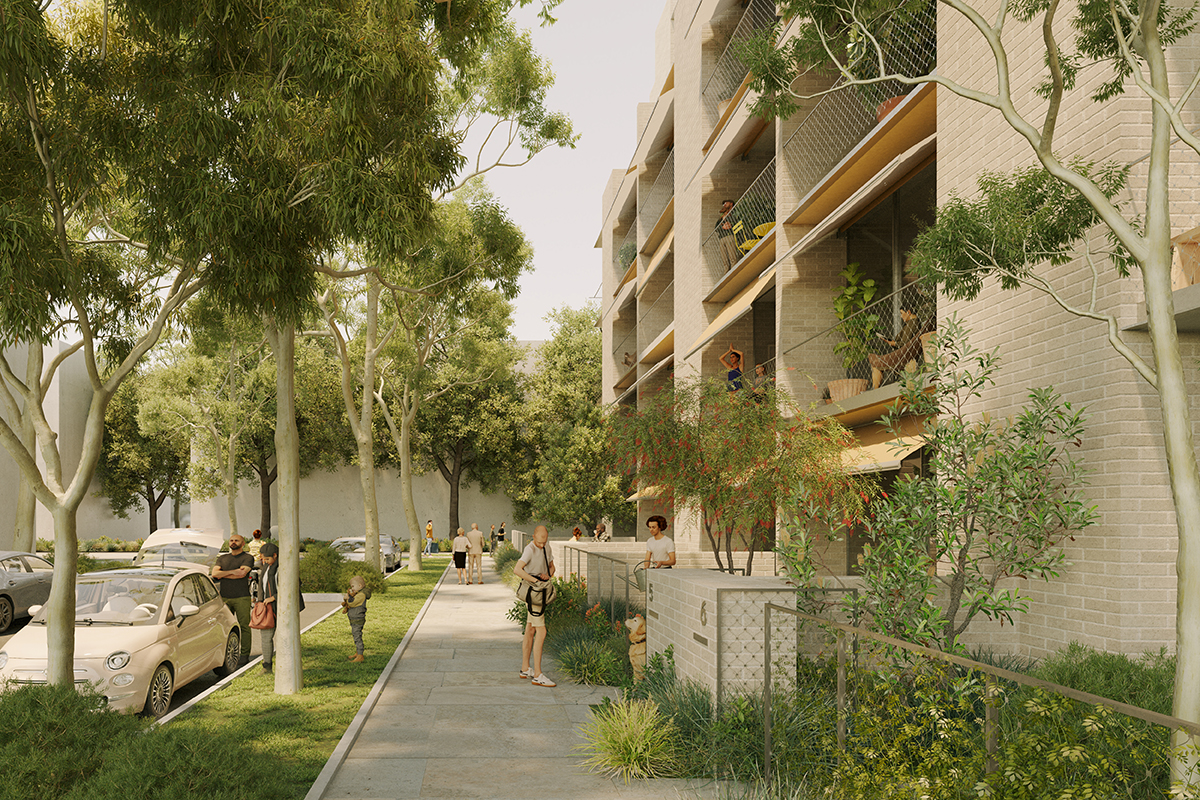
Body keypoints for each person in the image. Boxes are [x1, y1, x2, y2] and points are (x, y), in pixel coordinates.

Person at [514, 525, 556, 687]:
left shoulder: (547, 546)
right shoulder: (529, 549)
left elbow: (552, 567)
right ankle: (538, 674)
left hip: (541, 592)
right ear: (533, 537)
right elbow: (518, 569)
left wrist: (548, 574)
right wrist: (535, 580)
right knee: (541, 631)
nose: (541, 545)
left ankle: (525, 668)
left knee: (530, 629)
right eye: (539, 542)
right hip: (534, 595)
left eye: (544, 542)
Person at [212, 533, 255, 666]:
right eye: (231, 540)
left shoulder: (248, 557)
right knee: (225, 627)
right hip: (224, 597)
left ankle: (244, 654)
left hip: (242, 597)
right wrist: (233, 572)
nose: (233, 542)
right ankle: (226, 654)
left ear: (243, 544)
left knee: (244, 626)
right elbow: (214, 574)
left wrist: (223, 574)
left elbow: (242, 573)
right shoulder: (222, 558)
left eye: (236, 540)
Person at [868, 306, 925, 389]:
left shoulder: (911, 324)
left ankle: (874, 388)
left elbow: (904, 343)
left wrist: (893, 343)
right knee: (875, 360)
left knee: (874, 360)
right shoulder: (915, 324)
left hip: (902, 355)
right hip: (906, 353)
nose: (901, 317)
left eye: (902, 313)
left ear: (908, 312)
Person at [257, 542, 279, 673]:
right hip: (267, 608)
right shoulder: (266, 567)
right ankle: (267, 665)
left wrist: (274, 597)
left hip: (281, 607)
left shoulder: (283, 566)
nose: (265, 562)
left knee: (283, 637)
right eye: (263, 559)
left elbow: (292, 585)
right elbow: (261, 584)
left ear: (275, 555)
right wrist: (259, 601)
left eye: (267, 559)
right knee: (265, 637)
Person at [341, 575, 370, 663]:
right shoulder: (358, 594)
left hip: (358, 619)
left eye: (353, 586)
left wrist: (348, 598)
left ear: (360, 586)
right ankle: (358, 652)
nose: (352, 588)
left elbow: (353, 603)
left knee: (357, 636)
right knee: (355, 635)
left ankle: (360, 655)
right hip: (354, 618)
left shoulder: (361, 595)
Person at [715, 199, 740, 271]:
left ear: (731, 203)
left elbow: (736, 221)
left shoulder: (735, 213)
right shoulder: (722, 216)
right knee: (724, 260)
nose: (724, 204)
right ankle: (726, 275)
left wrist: (730, 224)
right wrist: (722, 226)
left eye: (726, 202)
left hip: (730, 236)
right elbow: (716, 227)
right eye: (723, 204)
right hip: (722, 238)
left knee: (733, 258)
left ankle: (733, 274)